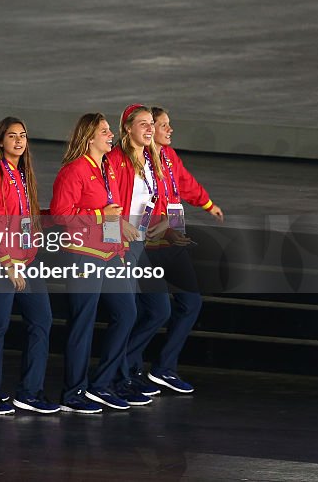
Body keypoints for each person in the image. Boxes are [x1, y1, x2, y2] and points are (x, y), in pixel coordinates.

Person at [131, 106, 224, 395]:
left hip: (172, 242)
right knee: (157, 311)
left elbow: (186, 183)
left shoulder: (169, 157)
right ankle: (126, 366)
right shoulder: (138, 160)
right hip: (148, 245)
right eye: (163, 125)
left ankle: (163, 368)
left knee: (191, 303)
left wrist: (208, 204)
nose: (169, 130)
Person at [50, 112, 137, 414]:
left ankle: (101, 384)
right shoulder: (73, 171)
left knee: (126, 313)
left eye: (110, 130)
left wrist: (120, 240)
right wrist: (102, 218)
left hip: (110, 255)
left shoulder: (107, 168)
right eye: (104, 131)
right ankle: (74, 391)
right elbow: (61, 215)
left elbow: (111, 210)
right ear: (89, 137)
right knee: (82, 322)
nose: (110, 134)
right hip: (84, 255)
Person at [0, 117, 59, 415]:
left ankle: (30, 391)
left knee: (42, 320)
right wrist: (9, 262)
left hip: (27, 261)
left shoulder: (22, 174)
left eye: (23, 135)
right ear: (0, 141)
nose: (19, 141)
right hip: (1, 263)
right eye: (12, 136)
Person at [108, 104, 170, 407]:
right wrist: (114, 241)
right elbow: (108, 206)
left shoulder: (149, 159)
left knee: (159, 309)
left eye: (151, 124)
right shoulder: (115, 160)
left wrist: (163, 223)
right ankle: (117, 377)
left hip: (141, 244)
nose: (149, 129)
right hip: (120, 248)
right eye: (143, 124)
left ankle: (126, 367)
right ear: (128, 128)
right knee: (127, 313)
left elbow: (151, 199)